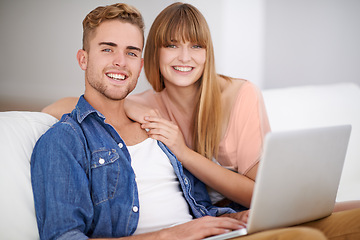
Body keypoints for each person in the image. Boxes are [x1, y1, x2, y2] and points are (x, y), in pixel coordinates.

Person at [33, 2, 360, 240]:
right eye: (108, 49)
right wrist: (172, 235)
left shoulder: (158, 121)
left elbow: (234, 196)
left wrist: (232, 215)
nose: (121, 62)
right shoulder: (74, 137)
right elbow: (65, 236)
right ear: (83, 58)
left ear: (140, 61)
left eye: (131, 52)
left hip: (224, 223)